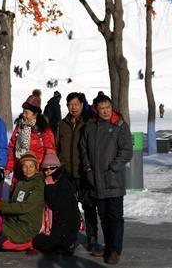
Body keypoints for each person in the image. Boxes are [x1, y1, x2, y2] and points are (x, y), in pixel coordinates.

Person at [80, 94, 131, 265]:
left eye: (108, 107)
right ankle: (109, 247)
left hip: (113, 179)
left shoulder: (119, 125)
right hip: (96, 180)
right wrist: (88, 169)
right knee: (104, 217)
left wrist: (114, 167)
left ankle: (115, 250)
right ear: (96, 109)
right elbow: (84, 150)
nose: (106, 111)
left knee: (115, 216)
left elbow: (126, 150)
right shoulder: (90, 126)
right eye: (102, 108)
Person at [56, 92, 100, 253]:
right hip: (66, 173)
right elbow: (56, 146)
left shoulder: (89, 123)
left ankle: (92, 239)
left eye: (76, 104)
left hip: (84, 173)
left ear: (82, 105)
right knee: (69, 209)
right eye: (70, 104)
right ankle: (70, 239)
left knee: (89, 208)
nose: (73, 107)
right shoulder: (62, 124)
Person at [0, 151, 44, 254]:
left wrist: (1, 206)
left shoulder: (39, 184)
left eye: (31, 166)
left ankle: (31, 243)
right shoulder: (20, 182)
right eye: (25, 166)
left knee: (0, 244)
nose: (28, 169)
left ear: (36, 167)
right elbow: (14, 202)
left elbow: (24, 207)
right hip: (14, 222)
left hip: (27, 225)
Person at [32, 150, 80, 254]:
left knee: (40, 243)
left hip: (67, 225)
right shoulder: (54, 180)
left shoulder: (63, 183)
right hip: (60, 224)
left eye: (52, 168)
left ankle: (69, 242)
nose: (48, 171)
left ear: (58, 168)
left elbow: (54, 204)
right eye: (45, 169)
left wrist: (49, 186)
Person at [6, 91, 56, 185]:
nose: (23, 115)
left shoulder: (44, 130)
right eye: (23, 112)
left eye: (26, 113)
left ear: (35, 114)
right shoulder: (20, 127)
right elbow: (11, 148)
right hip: (19, 171)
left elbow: (50, 151)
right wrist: (9, 167)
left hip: (37, 172)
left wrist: (48, 172)